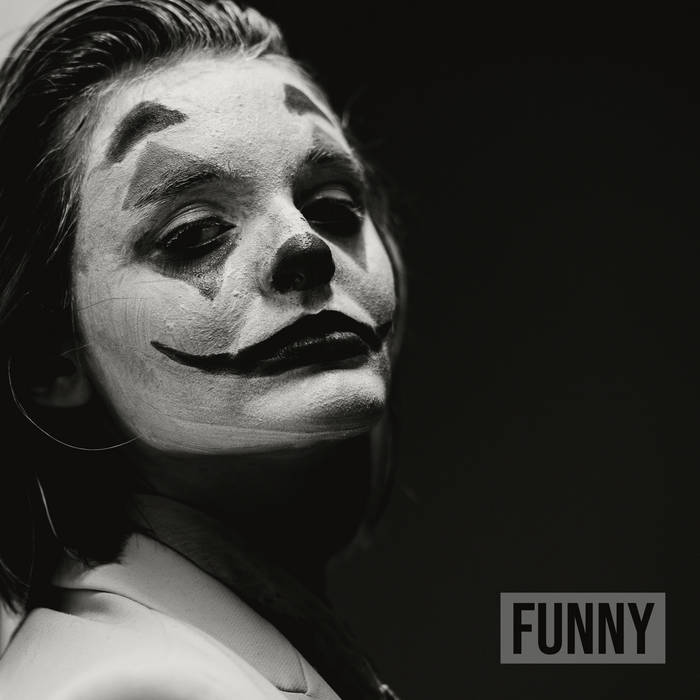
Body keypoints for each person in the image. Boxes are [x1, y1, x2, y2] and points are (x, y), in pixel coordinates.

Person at [0, 1, 405, 698]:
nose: (306, 247)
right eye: (194, 232)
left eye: (334, 207)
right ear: (50, 361)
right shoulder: (125, 688)